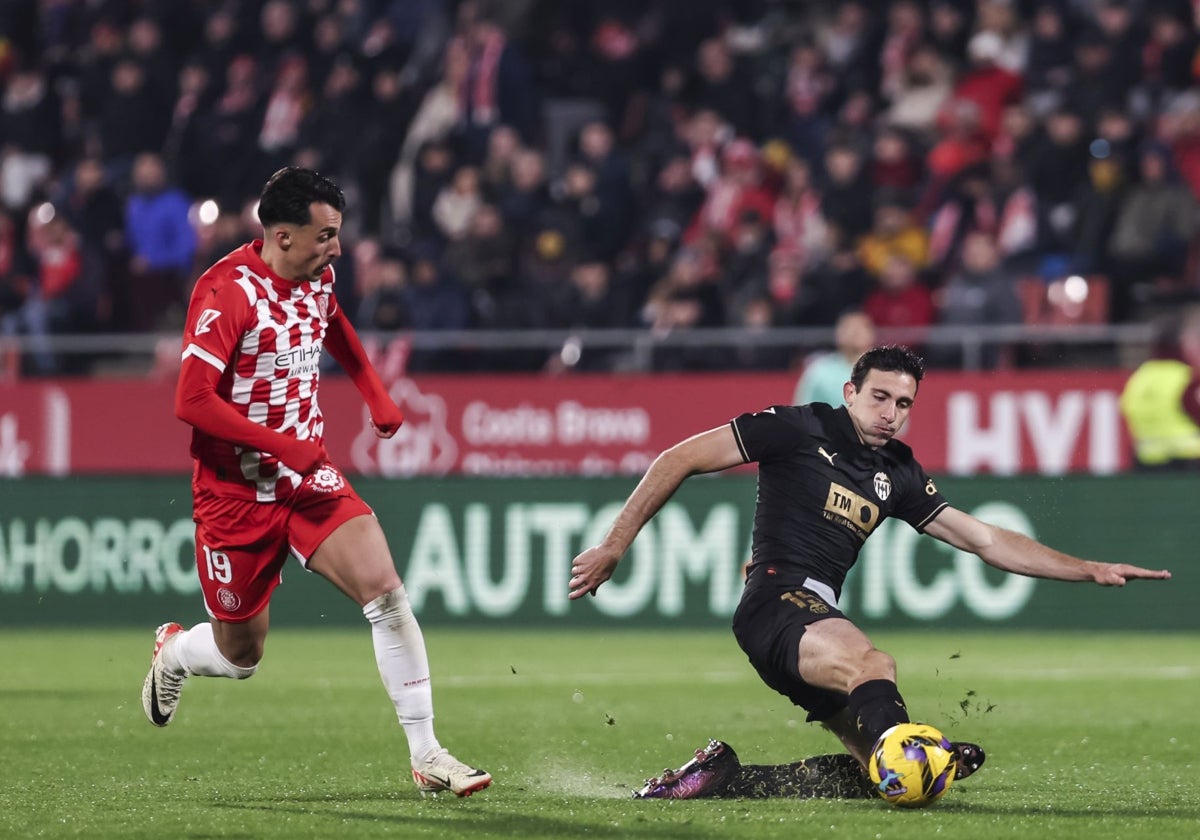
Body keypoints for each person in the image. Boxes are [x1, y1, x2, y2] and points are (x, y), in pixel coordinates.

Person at [569, 345, 1171, 799]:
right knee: (874, 666)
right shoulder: (799, 427)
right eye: (879, 397)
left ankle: (722, 777)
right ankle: (913, 746)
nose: (891, 413)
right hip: (776, 603)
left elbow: (986, 540)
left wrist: (1087, 568)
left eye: (904, 403)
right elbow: (680, 458)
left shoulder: (900, 472)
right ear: (851, 391)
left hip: (810, 620)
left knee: (875, 779)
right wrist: (613, 547)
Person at [141, 167, 491, 798]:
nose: (336, 248)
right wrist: (281, 446)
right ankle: (174, 651)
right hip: (234, 496)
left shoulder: (317, 278)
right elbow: (191, 400)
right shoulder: (226, 292)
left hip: (309, 480)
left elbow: (333, 323)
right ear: (280, 235)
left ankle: (428, 753)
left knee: (385, 593)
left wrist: (376, 393)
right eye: (325, 235)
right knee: (240, 656)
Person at [1119, 308, 1200, 470]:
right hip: (1188, 465)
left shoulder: (1139, 378)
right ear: (1183, 342)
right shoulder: (1188, 378)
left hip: (1147, 464)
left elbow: (1126, 409)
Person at [792, 311, 876, 407]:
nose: (855, 332)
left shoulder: (885, 372)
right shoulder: (819, 371)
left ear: (872, 334)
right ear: (838, 334)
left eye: (862, 327)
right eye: (849, 327)